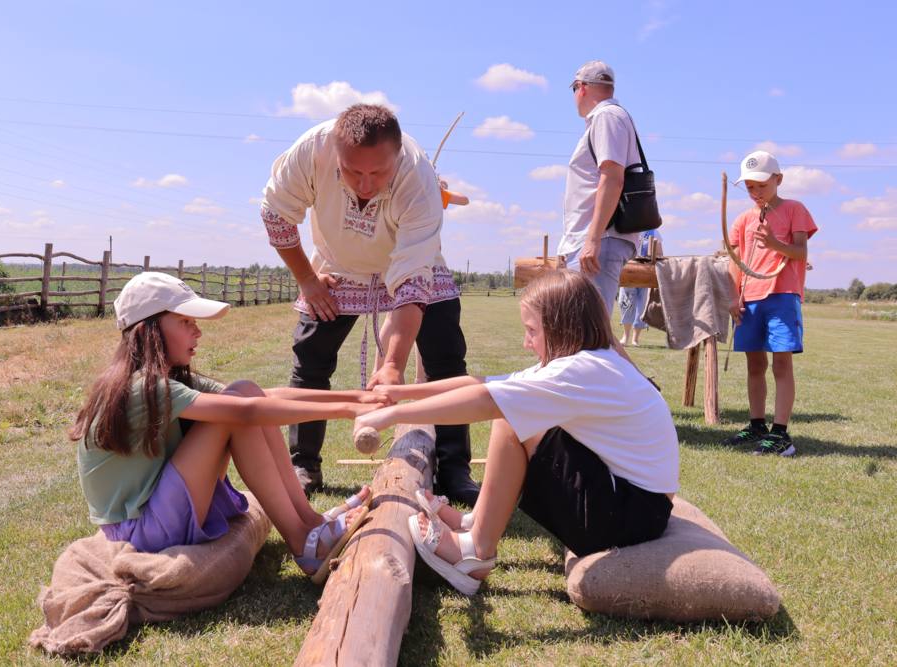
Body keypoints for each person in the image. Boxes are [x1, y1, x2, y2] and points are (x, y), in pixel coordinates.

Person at [354, 270, 678, 595]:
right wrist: (403, 393)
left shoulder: (581, 370)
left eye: (532, 331)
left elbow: (485, 400)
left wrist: (392, 414)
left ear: (561, 328)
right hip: (639, 507)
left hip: (628, 518)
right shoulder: (590, 362)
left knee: (510, 416)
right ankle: (476, 522)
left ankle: (476, 552)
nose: (526, 342)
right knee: (512, 404)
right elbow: (482, 383)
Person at [70, 271, 380, 584]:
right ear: (150, 329)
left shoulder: (167, 379)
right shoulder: (144, 387)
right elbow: (246, 412)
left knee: (244, 389)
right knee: (236, 414)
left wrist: (357, 396)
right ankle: (302, 541)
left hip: (153, 512)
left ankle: (310, 521)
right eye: (186, 322)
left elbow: (262, 397)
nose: (198, 332)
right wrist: (348, 410)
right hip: (140, 529)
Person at [260, 103, 479, 504]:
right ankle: (303, 463)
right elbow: (276, 215)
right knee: (311, 357)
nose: (365, 184)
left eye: (378, 173)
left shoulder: (419, 178)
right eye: (352, 171)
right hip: (338, 264)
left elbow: (412, 281)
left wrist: (393, 365)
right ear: (334, 154)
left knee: (446, 358)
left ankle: (453, 467)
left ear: (397, 157)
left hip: (410, 262)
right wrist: (307, 280)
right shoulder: (311, 150)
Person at [723, 151, 817, 456]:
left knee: (780, 362)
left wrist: (774, 244)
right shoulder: (742, 219)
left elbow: (801, 253)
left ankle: (781, 433)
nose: (755, 192)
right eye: (749, 187)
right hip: (750, 298)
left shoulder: (794, 209)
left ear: (779, 179)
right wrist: (733, 295)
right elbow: (734, 261)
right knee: (754, 364)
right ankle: (756, 424)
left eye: (761, 185)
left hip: (781, 294)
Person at [556, 60, 642, 315]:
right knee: (591, 330)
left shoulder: (606, 117)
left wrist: (591, 240)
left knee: (588, 332)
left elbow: (612, 177)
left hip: (599, 238)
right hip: (599, 238)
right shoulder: (613, 117)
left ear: (581, 88)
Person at [619, 229, 663, 346]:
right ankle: (625, 336)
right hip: (627, 271)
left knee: (642, 307)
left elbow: (660, 253)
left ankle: (635, 339)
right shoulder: (628, 228)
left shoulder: (654, 232)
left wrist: (653, 255)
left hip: (646, 273)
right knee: (626, 304)